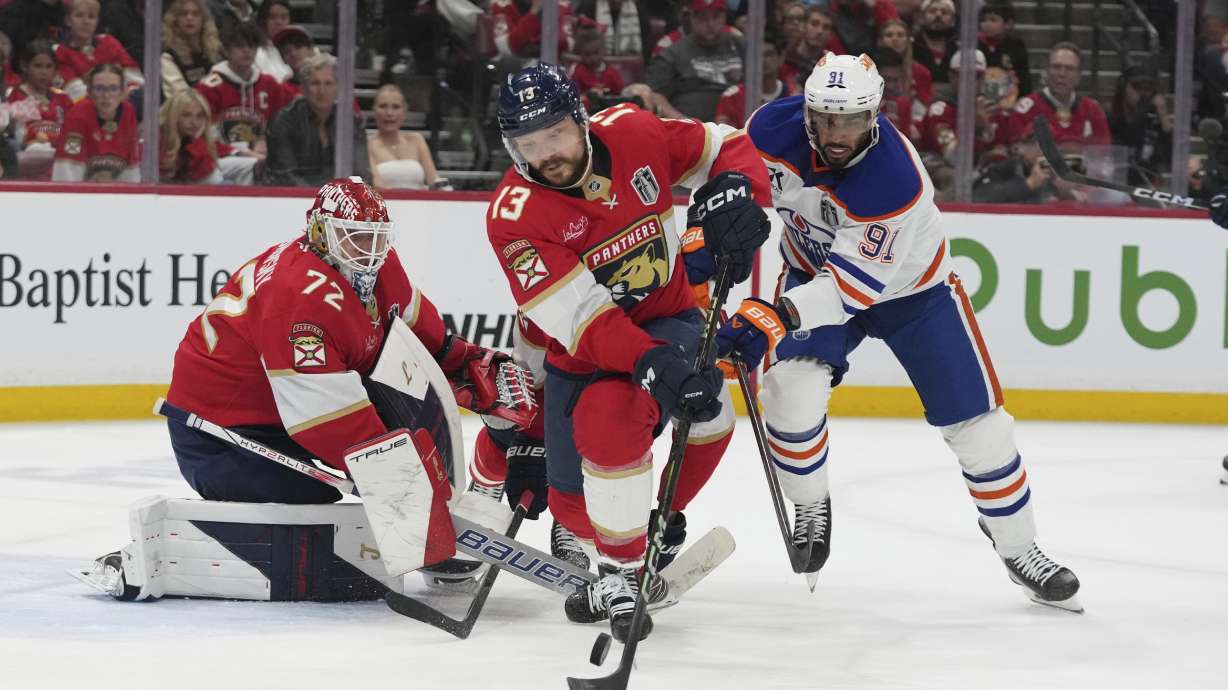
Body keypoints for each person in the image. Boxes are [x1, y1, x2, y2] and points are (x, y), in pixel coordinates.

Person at [713, 52, 1083, 612]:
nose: (839, 136)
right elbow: (722, 168)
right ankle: (811, 504)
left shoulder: (894, 178)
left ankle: (1019, 546)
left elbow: (850, 290)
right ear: (808, 111)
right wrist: (715, 216)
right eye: (828, 120)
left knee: (982, 429)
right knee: (789, 396)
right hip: (812, 271)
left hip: (914, 294)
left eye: (854, 121)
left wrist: (770, 317)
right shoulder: (769, 127)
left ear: (875, 116)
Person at [487, 63, 772, 641]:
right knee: (574, 511)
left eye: (556, 134)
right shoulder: (513, 219)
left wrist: (741, 192)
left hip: (670, 319)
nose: (546, 154)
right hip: (587, 351)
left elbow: (726, 146)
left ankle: (622, 571)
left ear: (581, 120)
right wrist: (648, 364)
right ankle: (632, 534)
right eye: (529, 143)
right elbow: (584, 320)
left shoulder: (635, 132)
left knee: (611, 416)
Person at [165, 176, 535, 504]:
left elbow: (422, 332)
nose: (369, 252)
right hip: (217, 435)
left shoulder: (382, 264)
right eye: (355, 237)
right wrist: (402, 483)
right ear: (320, 233)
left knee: (396, 438)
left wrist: (466, 360)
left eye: (376, 238)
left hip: (279, 414)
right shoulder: (298, 296)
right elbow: (325, 419)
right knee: (314, 493)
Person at [264, 53, 369, 186]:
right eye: (315, 83)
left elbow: (362, 175)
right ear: (303, 89)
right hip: (292, 199)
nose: (322, 91)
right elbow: (285, 176)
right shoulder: (283, 121)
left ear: (337, 88)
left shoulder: (352, 122)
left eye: (328, 83)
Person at [195, 22, 288, 158]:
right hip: (221, 157)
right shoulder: (208, 88)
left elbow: (281, 129)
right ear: (226, 50)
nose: (247, 50)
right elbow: (204, 138)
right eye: (239, 46)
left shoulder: (270, 84)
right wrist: (242, 151)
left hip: (263, 156)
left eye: (251, 46)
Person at [646, 0, 743, 121]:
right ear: (692, 18)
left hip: (739, 127)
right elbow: (655, 95)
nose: (710, 23)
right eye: (703, 17)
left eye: (716, 17)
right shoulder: (672, 52)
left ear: (724, 17)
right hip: (692, 131)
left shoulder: (741, 45)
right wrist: (682, 121)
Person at [1010, 42, 1109, 147]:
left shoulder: (1092, 109)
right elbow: (1018, 151)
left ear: (1079, 76)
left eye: (1070, 68)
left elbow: (1103, 153)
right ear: (1046, 71)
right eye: (1056, 67)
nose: (1062, 74)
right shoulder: (1026, 109)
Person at [52, 62, 139, 182]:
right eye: (99, 89)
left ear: (123, 92)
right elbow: (67, 173)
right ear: (89, 91)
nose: (106, 95)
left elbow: (131, 170)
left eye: (113, 88)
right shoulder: (78, 115)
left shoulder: (128, 113)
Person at [5, 40, 73, 179]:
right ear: (25, 66)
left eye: (48, 67)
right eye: (38, 66)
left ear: (55, 70)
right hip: (26, 160)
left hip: (59, 159)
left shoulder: (63, 99)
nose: (44, 72)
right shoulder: (14, 95)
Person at [53, 0, 143, 102]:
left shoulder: (108, 42)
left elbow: (134, 77)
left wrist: (128, 92)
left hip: (122, 99)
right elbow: (74, 91)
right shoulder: (60, 52)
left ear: (97, 21)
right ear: (68, 20)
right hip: (84, 106)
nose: (85, 22)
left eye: (91, 17)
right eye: (79, 16)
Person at [714, 27, 795, 129]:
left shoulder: (793, 96)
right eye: (758, 55)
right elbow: (725, 138)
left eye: (769, 54)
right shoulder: (731, 98)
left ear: (781, 58)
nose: (764, 60)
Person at [367, 84, 440, 190]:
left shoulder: (417, 140)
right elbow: (377, 186)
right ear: (374, 110)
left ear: (404, 111)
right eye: (383, 106)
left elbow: (434, 181)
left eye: (396, 107)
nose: (389, 113)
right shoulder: (367, 144)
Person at [159, 88, 228, 184]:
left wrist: (195, 142)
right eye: (186, 115)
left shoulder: (194, 139)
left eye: (199, 116)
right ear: (173, 115)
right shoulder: (157, 139)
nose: (194, 123)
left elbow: (210, 179)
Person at [161, 0, 223, 99]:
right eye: (183, 14)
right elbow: (180, 97)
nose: (190, 18)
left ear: (203, 20)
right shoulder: (168, 57)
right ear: (175, 19)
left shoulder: (214, 52)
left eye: (196, 14)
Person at [977, 1, 1031, 96]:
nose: (986, 24)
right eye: (983, 20)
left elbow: (1024, 79)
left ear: (1008, 24)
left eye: (993, 20)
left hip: (1009, 98)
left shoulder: (1017, 45)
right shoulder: (976, 45)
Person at [879, 17, 932, 105]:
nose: (895, 39)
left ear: (908, 41)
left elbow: (925, 107)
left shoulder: (921, 72)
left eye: (900, 35)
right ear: (880, 41)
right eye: (889, 35)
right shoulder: (869, 70)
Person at [913, 0, 958, 84]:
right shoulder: (911, 47)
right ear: (921, 18)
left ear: (953, 21)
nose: (938, 15)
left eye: (944, 12)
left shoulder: (959, 49)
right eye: (932, 11)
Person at [253, 0, 293, 83]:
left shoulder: (299, 48)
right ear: (263, 20)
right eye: (273, 17)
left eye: (284, 17)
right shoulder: (256, 52)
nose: (279, 22)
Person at [271, 24, 315, 99]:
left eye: (298, 47)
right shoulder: (282, 91)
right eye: (287, 51)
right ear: (282, 58)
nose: (293, 54)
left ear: (310, 50)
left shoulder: (331, 81)